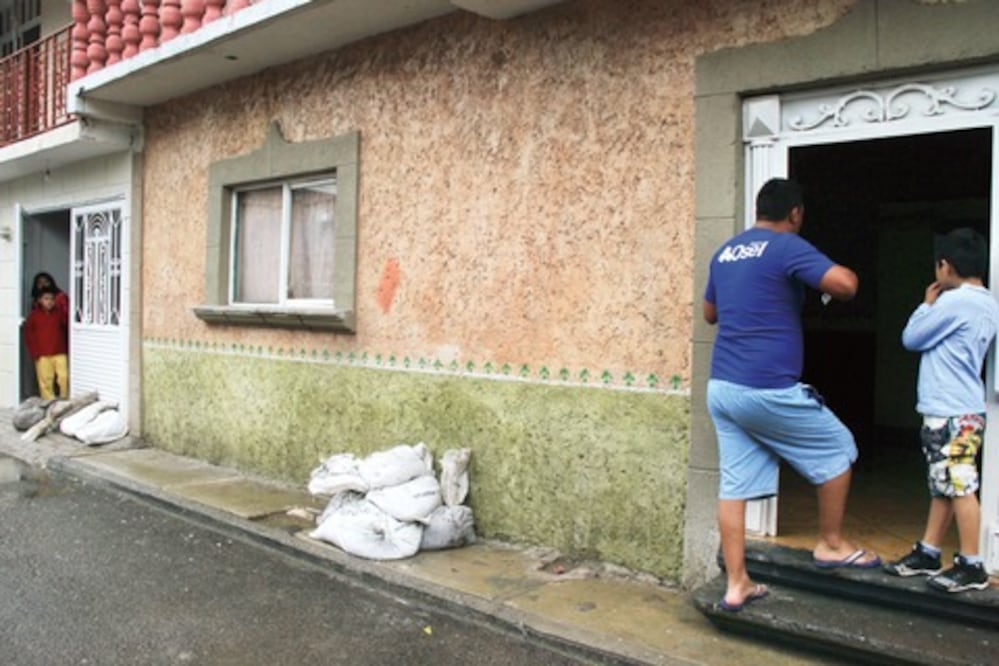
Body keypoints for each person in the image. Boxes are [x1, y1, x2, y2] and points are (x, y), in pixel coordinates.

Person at [703, 177, 880, 613]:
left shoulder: (726, 252)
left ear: (758, 210)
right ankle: (831, 544)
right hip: (764, 387)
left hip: (722, 387)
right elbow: (845, 285)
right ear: (795, 213)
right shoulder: (786, 246)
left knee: (733, 485)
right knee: (838, 447)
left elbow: (710, 313)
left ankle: (737, 584)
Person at [884, 228, 999, 592]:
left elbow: (912, 337)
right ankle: (929, 551)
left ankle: (972, 564)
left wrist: (926, 305)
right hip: (965, 409)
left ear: (945, 266)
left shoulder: (953, 303)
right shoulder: (988, 302)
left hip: (950, 411)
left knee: (960, 484)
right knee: (945, 483)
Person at [24, 284, 70, 400]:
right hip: (42, 353)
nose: (49, 302)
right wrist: (35, 353)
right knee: (45, 380)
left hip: (59, 351)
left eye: (52, 299)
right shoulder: (34, 316)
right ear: (40, 300)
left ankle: (64, 399)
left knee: (64, 377)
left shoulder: (59, 313)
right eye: (46, 299)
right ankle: (48, 401)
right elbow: (29, 335)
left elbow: (67, 327)